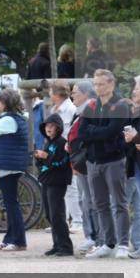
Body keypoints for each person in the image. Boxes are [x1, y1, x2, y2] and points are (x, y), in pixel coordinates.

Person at [81, 69, 131, 259]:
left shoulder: (120, 106)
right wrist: (98, 132)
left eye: (101, 84)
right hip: (93, 162)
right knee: (100, 204)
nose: (97, 87)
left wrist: (95, 131)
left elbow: (112, 131)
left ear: (111, 84)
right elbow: (82, 132)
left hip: (114, 160)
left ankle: (123, 244)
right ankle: (108, 243)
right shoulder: (90, 106)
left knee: (119, 203)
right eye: (95, 84)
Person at [0, 89, 30, 252]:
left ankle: (18, 240)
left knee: (12, 204)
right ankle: (9, 238)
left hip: (8, 166)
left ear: (4, 103)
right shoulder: (15, 118)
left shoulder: (8, 120)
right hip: (10, 165)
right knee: (10, 203)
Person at [36, 113, 74, 257]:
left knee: (57, 214)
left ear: (58, 128)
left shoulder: (61, 143)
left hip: (57, 182)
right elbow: (44, 163)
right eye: (47, 126)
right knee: (50, 214)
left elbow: (61, 162)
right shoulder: (48, 143)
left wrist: (46, 157)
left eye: (52, 126)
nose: (48, 128)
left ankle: (66, 247)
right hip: (47, 180)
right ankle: (57, 244)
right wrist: (40, 157)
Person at [68, 81, 100, 253]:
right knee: (85, 200)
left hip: (88, 161)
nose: (72, 95)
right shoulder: (79, 112)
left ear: (86, 94)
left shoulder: (91, 110)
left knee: (93, 200)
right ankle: (90, 236)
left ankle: (98, 238)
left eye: (76, 92)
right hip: (79, 163)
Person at [47, 83, 82, 232]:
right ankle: (62, 221)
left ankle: (78, 220)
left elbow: (73, 132)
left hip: (68, 151)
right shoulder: (53, 109)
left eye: (50, 90)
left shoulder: (71, 109)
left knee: (71, 187)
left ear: (56, 93)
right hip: (56, 152)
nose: (49, 93)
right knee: (60, 187)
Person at [124, 75, 140, 259]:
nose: (134, 91)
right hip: (138, 164)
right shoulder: (139, 112)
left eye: (137, 87)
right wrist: (132, 138)